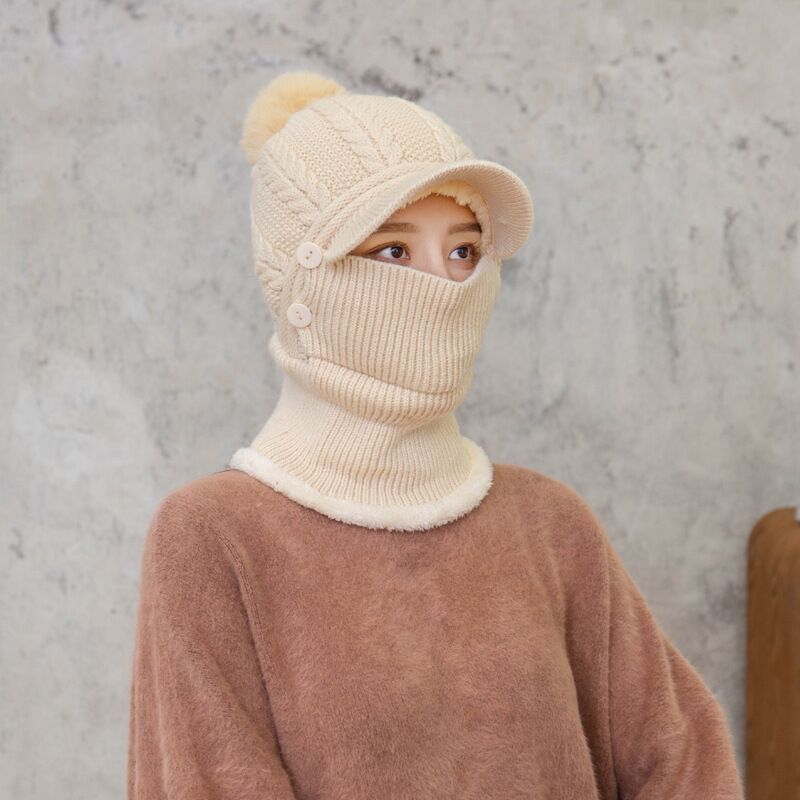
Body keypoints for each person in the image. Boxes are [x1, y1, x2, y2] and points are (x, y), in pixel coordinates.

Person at [126, 70, 744, 799]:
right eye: (393, 251)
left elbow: (683, 759)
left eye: (464, 252)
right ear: (304, 284)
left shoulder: (548, 524)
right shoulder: (214, 537)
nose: (445, 287)